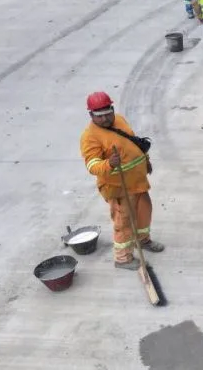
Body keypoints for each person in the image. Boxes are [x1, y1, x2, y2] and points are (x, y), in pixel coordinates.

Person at [80, 91, 164, 270]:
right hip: (118, 186)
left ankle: (142, 240)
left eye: (108, 113)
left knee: (144, 212)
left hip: (137, 181)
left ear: (112, 109)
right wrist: (109, 164)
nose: (105, 119)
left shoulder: (119, 120)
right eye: (99, 116)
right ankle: (123, 258)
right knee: (124, 221)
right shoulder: (90, 136)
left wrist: (145, 161)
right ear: (91, 115)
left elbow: (133, 143)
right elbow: (92, 165)